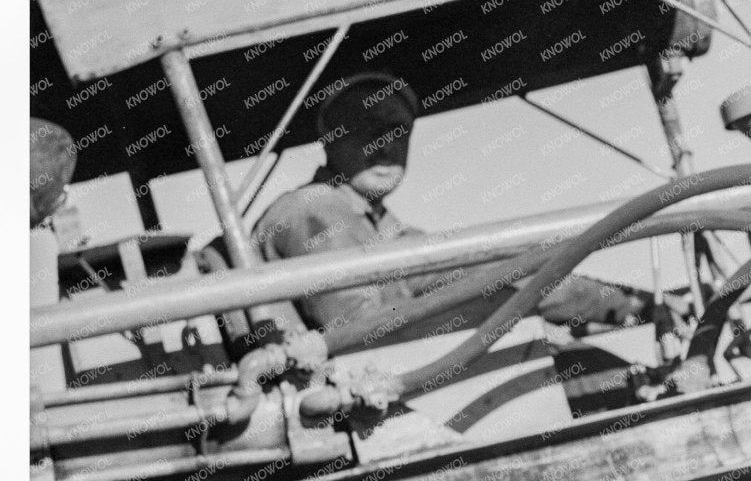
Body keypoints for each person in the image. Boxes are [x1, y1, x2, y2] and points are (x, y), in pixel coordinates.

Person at [254, 72, 646, 338]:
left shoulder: (380, 225)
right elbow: (365, 335)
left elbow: (488, 270)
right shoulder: (314, 209)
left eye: (398, 131)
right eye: (368, 128)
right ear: (330, 138)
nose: (386, 145)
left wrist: (621, 302)